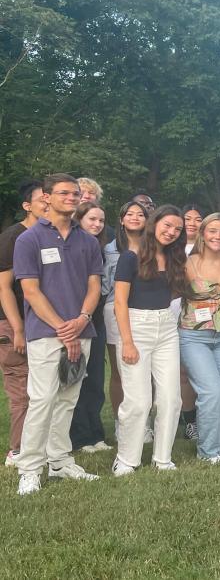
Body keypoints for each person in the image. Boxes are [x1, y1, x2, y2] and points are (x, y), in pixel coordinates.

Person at [13, 173, 104, 495]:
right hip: (45, 333)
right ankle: (30, 468)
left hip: (83, 329)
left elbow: (95, 285)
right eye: (64, 193)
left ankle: (61, 461)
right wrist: (63, 329)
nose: (71, 198)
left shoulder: (88, 241)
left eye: (75, 193)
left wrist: (80, 320)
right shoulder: (29, 240)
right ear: (47, 198)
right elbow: (31, 291)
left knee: (68, 398)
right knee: (43, 400)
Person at [111, 206, 187, 476]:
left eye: (177, 229)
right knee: (138, 401)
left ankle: (162, 458)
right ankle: (126, 459)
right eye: (167, 225)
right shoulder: (130, 257)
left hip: (167, 329)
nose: (171, 232)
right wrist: (128, 342)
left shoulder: (174, 258)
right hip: (136, 327)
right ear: (154, 224)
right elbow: (119, 302)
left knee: (171, 397)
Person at [179, 213, 220, 463]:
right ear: (203, 234)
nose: (218, 236)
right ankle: (207, 451)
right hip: (195, 336)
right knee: (211, 393)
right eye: (213, 231)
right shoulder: (188, 263)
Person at [0, 180, 48, 467]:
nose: (48, 202)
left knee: (42, 390)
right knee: (22, 389)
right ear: (27, 205)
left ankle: (41, 447)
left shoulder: (50, 235)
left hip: (43, 324)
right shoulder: (13, 237)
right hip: (14, 324)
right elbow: (4, 287)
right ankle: (17, 451)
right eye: (42, 198)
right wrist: (17, 328)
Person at [102, 200, 149, 443]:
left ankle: (145, 422)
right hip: (115, 309)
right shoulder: (110, 249)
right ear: (121, 219)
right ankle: (123, 423)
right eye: (129, 213)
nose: (134, 217)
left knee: (147, 369)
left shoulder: (154, 246)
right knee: (121, 371)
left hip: (147, 310)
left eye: (140, 214)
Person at [69, 201, 111, 453]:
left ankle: (96, 434)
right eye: (91, 219)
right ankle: (79, 437)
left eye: (101, 221)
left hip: (96, 319)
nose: (96, 224)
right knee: (75, 378)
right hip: (75, 318)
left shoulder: (100, 248)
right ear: (79, 219)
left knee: (95, 378)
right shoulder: (71, 247)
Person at [178, 204, 204, 440]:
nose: (192, 223)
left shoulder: (206, 248)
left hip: (200, 314)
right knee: (181, 372)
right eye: (188, 219)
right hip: (173, 309)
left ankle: (201, 417)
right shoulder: (171, 246)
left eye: (198, 219)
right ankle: (187, 418)